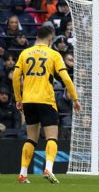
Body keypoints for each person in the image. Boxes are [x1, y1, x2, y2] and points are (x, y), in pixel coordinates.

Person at [12, 27, 81, 184]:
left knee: (31, 139)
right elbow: (66, 78)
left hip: (28, 101)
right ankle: (48, 168)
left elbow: (16, 76)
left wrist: (18, 98)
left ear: (37, 37)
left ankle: (23, 174)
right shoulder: (53, 54)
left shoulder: (25, 53)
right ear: (50, 38)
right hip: (46, 100)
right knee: (51, 137)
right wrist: (75, 99)